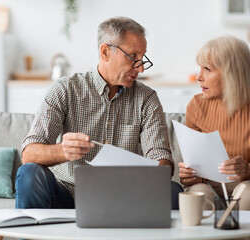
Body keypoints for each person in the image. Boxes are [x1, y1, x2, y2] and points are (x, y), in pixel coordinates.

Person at [16, 16, 183, 210]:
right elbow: (29, 154)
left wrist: (155, 172)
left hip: (126, 196)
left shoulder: (146, 98)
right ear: (105, 52)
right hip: (67, 196)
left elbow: (160, 157)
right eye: (133, 57)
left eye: (143, 58)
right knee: (29, 173)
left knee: (172, 191)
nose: (141, 67)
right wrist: (63, 151)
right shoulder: (65, 89)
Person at [178, 35, 250, 212]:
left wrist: (245, 170)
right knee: (197, 194)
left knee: (249, 192)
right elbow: (196, 174)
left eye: (207, 69)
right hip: (211, 190)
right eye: (200, 68)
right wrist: (189, 176)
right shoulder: (196, 106)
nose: (199, 76)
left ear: (231, 73)